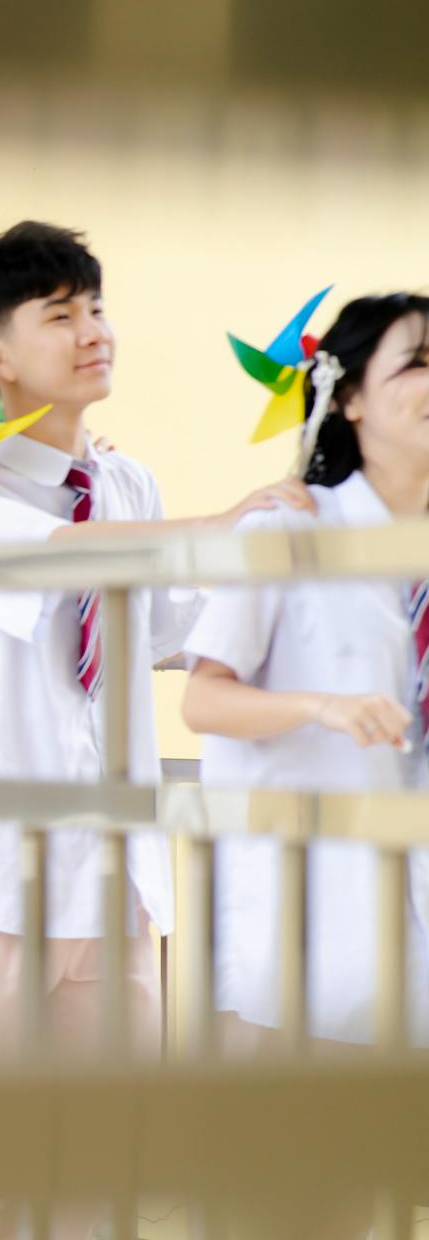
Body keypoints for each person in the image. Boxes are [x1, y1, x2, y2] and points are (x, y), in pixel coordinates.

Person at [0, 221, 313, 1238]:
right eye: (60, 313)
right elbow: (59, 555)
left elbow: (172, 632)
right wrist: (223, 525)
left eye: (96, 306)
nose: (95, 330)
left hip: (119, 865)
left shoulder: (128, 483)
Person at [181, 292, 429, 1054]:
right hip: (323, 893)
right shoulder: (292, 527)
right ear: (349, 397)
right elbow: (203, 700)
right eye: (417, 364)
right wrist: (322, 706)